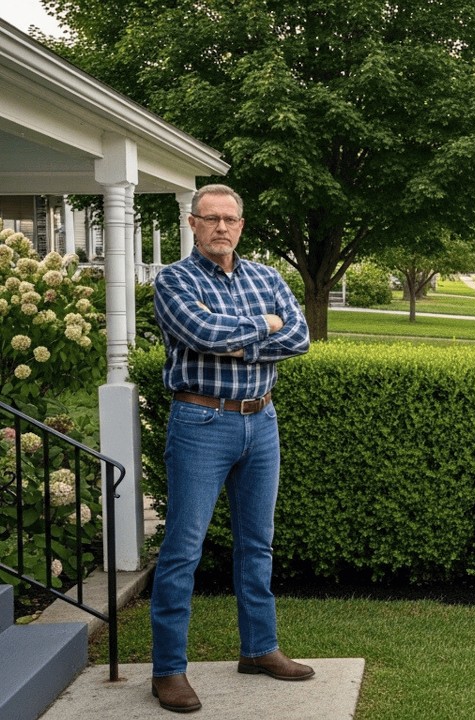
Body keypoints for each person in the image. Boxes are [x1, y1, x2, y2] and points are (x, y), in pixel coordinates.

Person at [150, 184, 314, 713]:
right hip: (200, 420)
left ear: (242, 225)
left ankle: (260, 649)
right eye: (211, 218)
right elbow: (200, 332)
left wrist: (245, 334)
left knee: (257, 543)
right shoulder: (173, 279)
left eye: (230, 219)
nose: (221, 227)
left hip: (261, 420)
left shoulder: (267, 276)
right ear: (193, 223)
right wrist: (263, 326)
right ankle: (168, 670)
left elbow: (300, 337)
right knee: (183, 549)